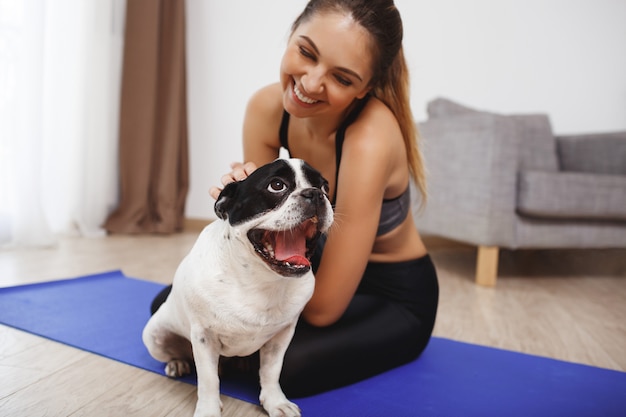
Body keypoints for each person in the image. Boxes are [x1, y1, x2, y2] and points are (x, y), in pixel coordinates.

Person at [152, 0, 439, 397]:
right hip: (305, 258)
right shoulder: (267, 107)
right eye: (306, 52)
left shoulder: (370, 137)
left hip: (389, 293)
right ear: (291, 34)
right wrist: (242, 196)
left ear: (366, 87)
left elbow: (322, 309)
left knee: (289, 367)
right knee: (171, 305)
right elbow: (262, 227)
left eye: (341, 77)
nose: (310, 82)